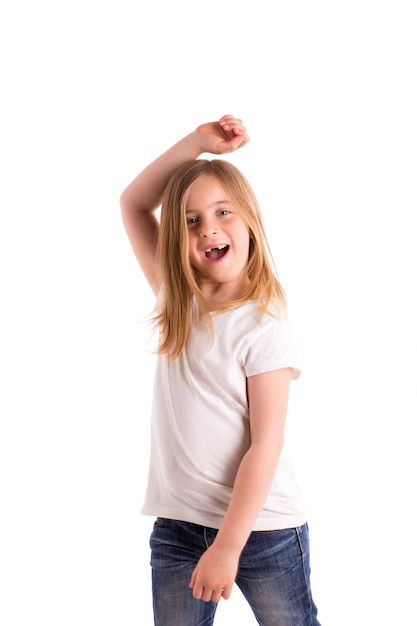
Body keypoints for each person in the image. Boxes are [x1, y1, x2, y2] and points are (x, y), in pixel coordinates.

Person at [120, 115, 321, 625]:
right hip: (180, 528)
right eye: (189, 220)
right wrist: (195, 144)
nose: (208, 226)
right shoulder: (177, 299)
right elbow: (134, 203)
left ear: (250, 220)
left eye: (223, 211)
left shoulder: (265, 323)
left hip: (263, 531)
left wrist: (229, 548)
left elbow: (265, 445)